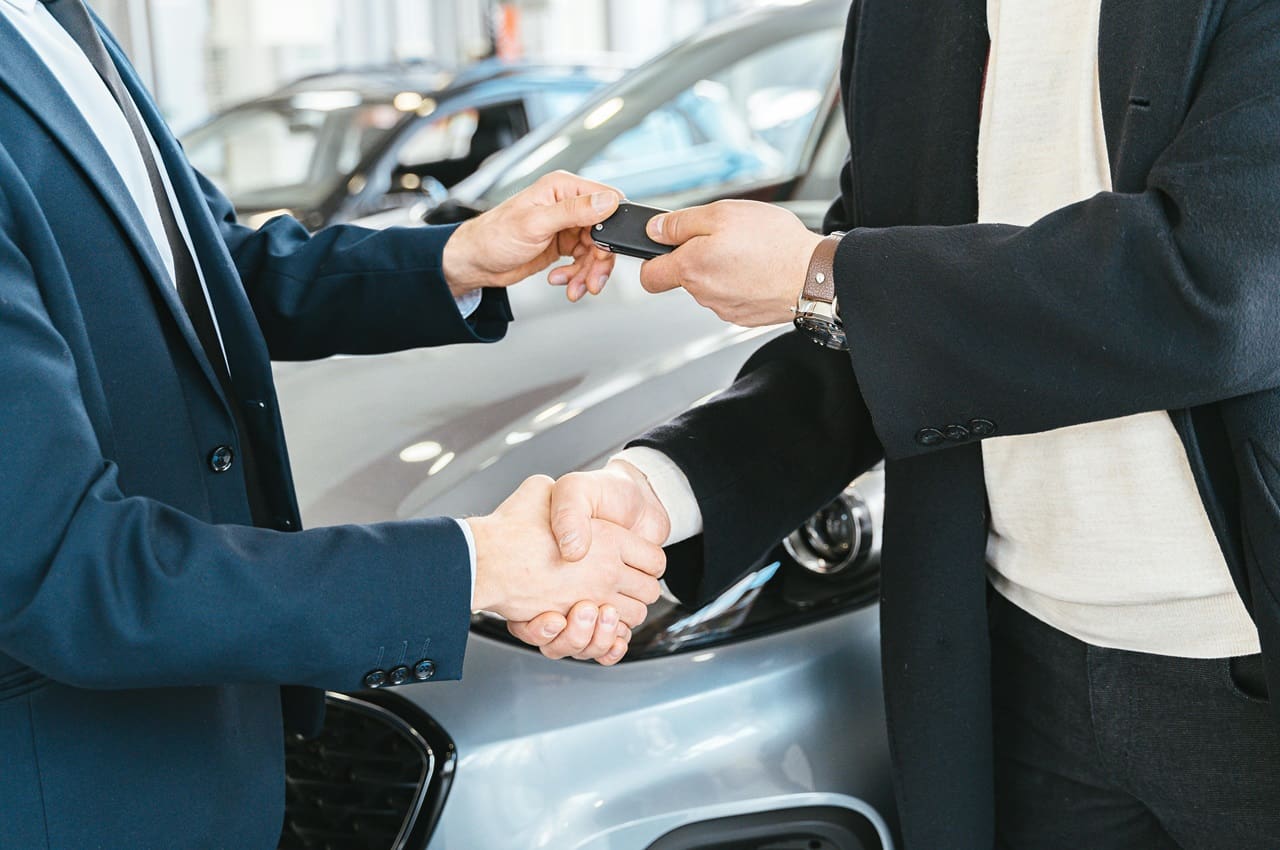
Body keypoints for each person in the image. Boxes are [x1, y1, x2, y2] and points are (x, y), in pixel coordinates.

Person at [515, 0, 1280, 846]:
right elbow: (871, 332)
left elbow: (1224, 285)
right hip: (1013, 658)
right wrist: (662, 488)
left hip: (1244, 658)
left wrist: (822, 272)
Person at [0, 0, 659, 846]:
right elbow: (64, 566)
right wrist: (479, 564)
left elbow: (206, 271)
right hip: (70, 792)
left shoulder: (62, 20)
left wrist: (456, 257)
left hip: (206, 756)